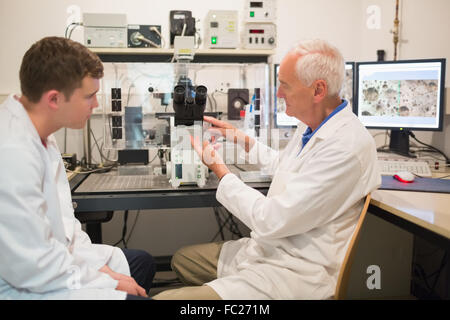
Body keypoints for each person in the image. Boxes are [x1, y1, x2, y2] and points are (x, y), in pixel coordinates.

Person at [153, 39, 381, 300]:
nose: (279, 94)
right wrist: (240, 138)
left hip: (296, 273)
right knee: (182, 260)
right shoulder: (313, 125)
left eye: (284, 85)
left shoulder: (346, 148)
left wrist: (220, 170)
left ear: (318, 90)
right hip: (271, 249)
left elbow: (271, 220)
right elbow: (285, 166)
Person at [0, 37, 155, 300]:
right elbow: (34, 266)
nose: (95, 105)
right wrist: (106, 281)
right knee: (131, 292)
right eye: (90, 96)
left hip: (56, 258)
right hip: (27, 284)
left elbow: (65, 226)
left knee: (141, 263)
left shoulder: (42, 134)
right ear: (54, 99)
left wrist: (101, 269)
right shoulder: (11, 152)